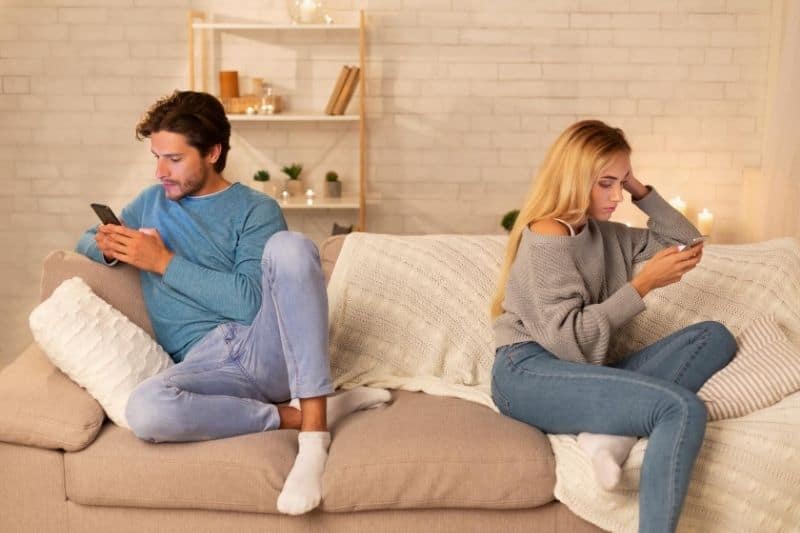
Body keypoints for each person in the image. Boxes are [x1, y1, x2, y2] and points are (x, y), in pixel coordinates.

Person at [75, 90, 389, 515]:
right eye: (156, 156)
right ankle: (293, 415)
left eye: (174, 159)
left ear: (213, 152)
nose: (160, 171)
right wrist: (114, 247)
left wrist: (164, 262)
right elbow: (82, 242)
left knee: (291, 247)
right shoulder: (150, 203)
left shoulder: (255, 209)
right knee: (145, 411)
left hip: (263, 348)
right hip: (206, 364)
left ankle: (313, 438)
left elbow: (249, 304)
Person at [490, 120, 736, 533]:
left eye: (623, 183)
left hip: (584, 372)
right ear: (574, 178)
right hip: (527, 372)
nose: (618, 196)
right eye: (606, 183)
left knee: (713, 337)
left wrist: (641, 189)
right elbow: (570, 343)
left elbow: (687, 242)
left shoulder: (606, 234)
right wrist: (642, 286)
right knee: (677, 407)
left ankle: (608, 433)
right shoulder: (547, 235)